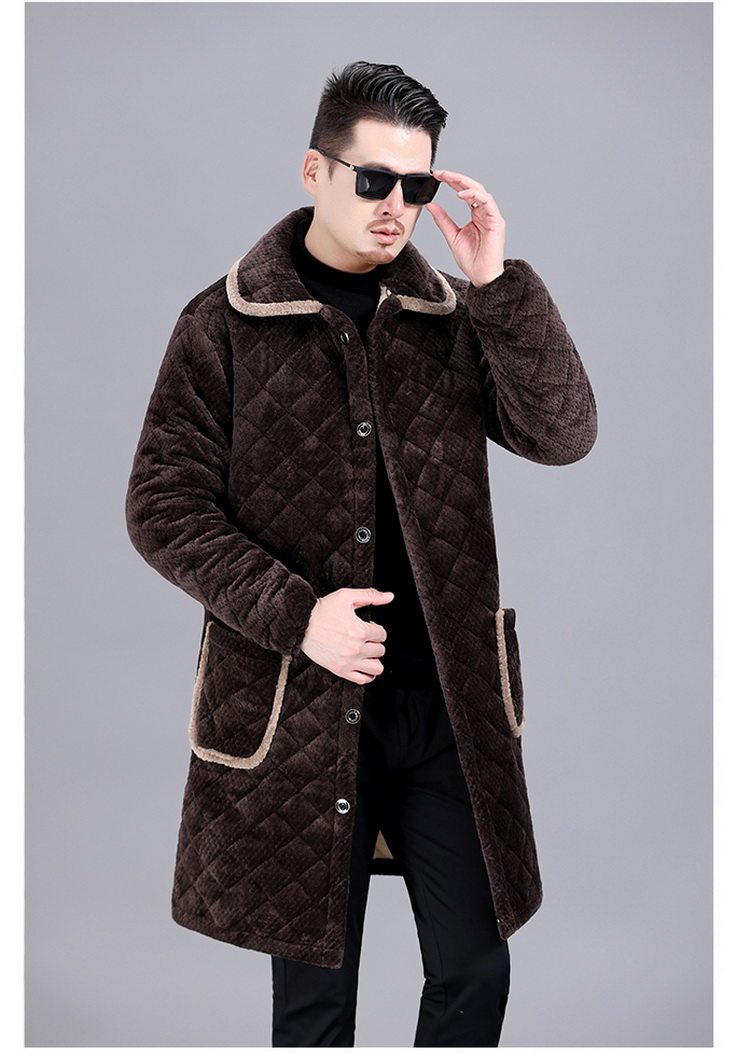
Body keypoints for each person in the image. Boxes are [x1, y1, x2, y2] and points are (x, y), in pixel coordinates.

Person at [125, 60, 598, 1047]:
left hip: (446, 705)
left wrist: (496, 284)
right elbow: (162, 505)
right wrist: (300, 615)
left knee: (473, 969)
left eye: (416, 186)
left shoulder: (450, 317)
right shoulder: (223, 324)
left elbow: (563, 434)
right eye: (374, 179)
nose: (396, 207)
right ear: (315, 171)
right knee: (315, 1003)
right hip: (302, 704)